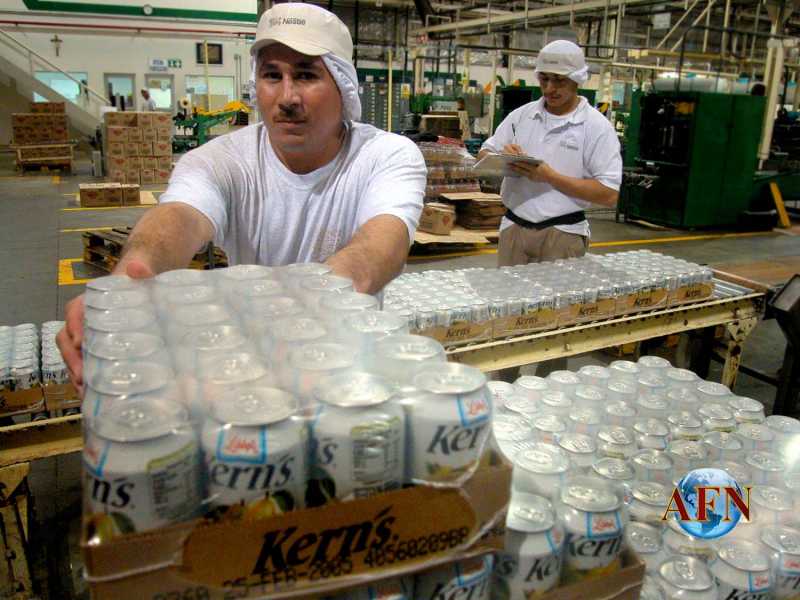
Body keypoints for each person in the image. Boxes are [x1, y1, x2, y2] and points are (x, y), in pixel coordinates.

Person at [57, 3, 427, 393]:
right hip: (252, 375)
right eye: (272, 75)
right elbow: (179, 216)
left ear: (343, 85)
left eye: (306, 75)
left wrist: (309, 305)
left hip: (349, 373)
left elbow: (379, 249)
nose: (287, 97)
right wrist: (132, 275)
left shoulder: (385, 156)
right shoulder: (222, 160)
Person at [479, 40, 621, 379]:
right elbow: (484, 155)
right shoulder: (521, 117)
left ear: (577, 79)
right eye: (544, 79)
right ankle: (505, 385)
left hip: (563, 235)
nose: (549, 88)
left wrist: (550, 177)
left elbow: (608, 194)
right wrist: (502, 159)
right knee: (509, 317)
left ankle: (549, 388)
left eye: (559, 81)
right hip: (515, 228)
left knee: (556, 323)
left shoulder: (595, 128)